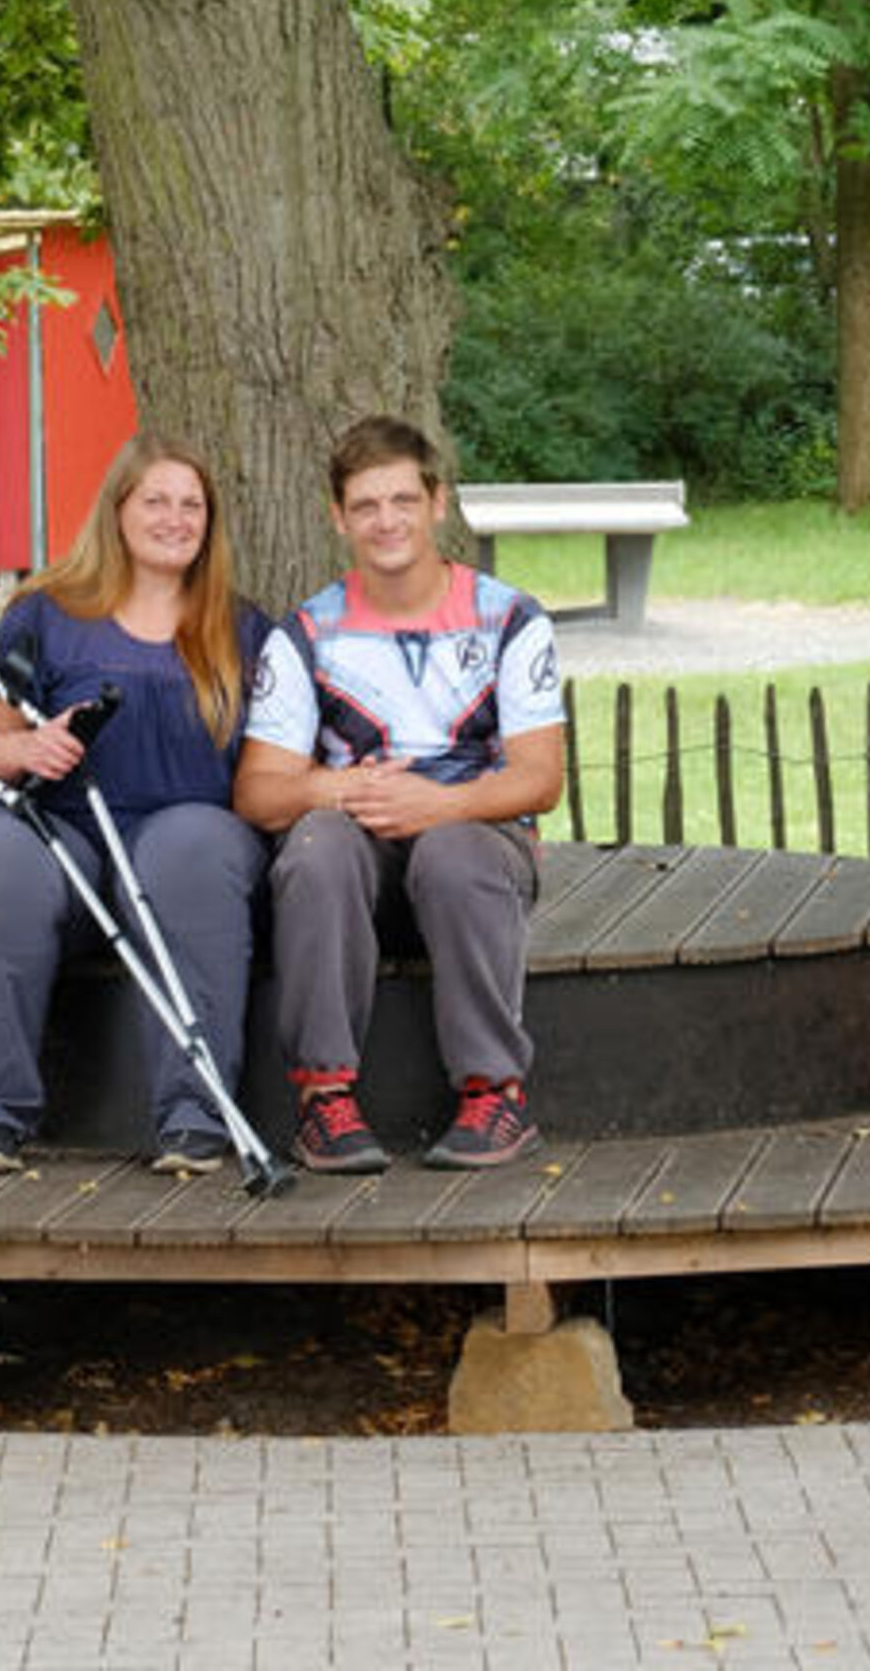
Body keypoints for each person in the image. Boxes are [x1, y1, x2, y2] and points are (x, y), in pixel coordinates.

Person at [0, 433, 269, 1175]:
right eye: (156, 501)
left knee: (187, 851)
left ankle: (195, 1117)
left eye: (191, 505)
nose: (175, 519)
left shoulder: (242, 631)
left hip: (193, 833)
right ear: (117, 511)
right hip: (63, 834)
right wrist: (18, 750)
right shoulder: (43, 615)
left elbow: (277, 763)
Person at [233, 415, 564, 1172]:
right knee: (313, 845)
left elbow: (539, 780)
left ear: (437, 503)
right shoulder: (308, 634)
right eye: (366, 506)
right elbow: (258, 791)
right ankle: (325, 1101)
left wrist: (438, 804)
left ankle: (494, 1095)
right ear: (338, 517)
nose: (387, 522)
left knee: (451, 851)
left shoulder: (510, 619)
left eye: (402, 501)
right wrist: (338, 786)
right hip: (363, 855)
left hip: (475, 844)